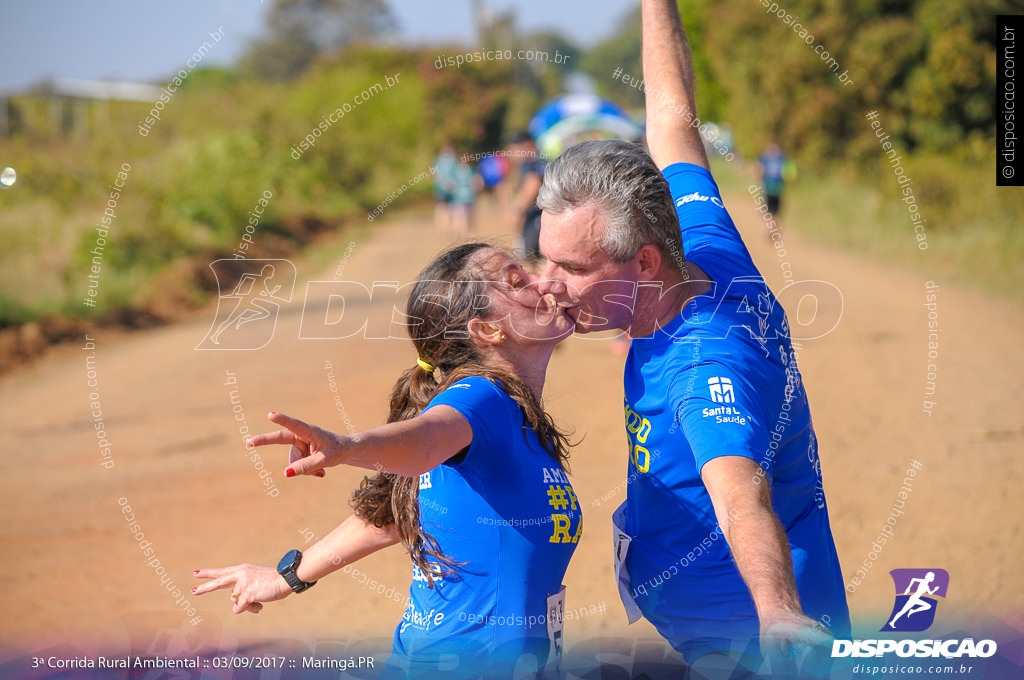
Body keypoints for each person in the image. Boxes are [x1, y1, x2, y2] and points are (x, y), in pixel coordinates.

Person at [535, 0, 849, 676]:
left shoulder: (707, 368)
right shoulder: (700, 236)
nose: (546, 284)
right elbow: (673, 119)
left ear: (643, 263)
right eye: (544, 258)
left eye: (570, 268)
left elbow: (741, 496)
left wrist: (775, 612)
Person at [194, 243, 582, 679]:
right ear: (487, 331)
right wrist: (347, 446)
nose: (543, 284)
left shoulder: (513, 413)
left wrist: (286, 576)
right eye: (518, 282)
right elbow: (425, 442)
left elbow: (394, 515)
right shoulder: (482, 399)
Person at [506, 132, 546, 265]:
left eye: (515, 149)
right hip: (547, 219)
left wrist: (517, 209)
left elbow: (533, 184)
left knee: (530, 263)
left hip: (536, 220)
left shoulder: (531, 162)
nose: (512, 153)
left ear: (527, 146)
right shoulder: (543, 161)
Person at [759, 142, 790, 217]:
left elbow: (760, 172)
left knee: (769, 212)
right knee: (775, 212)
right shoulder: (782, 159)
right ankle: (775, 227)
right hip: (777, 189)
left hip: (770, 189)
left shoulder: (766, 159)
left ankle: (771, 227)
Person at [432, 144, 458, 231]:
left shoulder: (438, 160)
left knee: (441, 206)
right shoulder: (453, 159)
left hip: (440, 187)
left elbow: (436, 175)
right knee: (448, 207)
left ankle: (442, 226)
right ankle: (448, 226)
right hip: (449, 187)